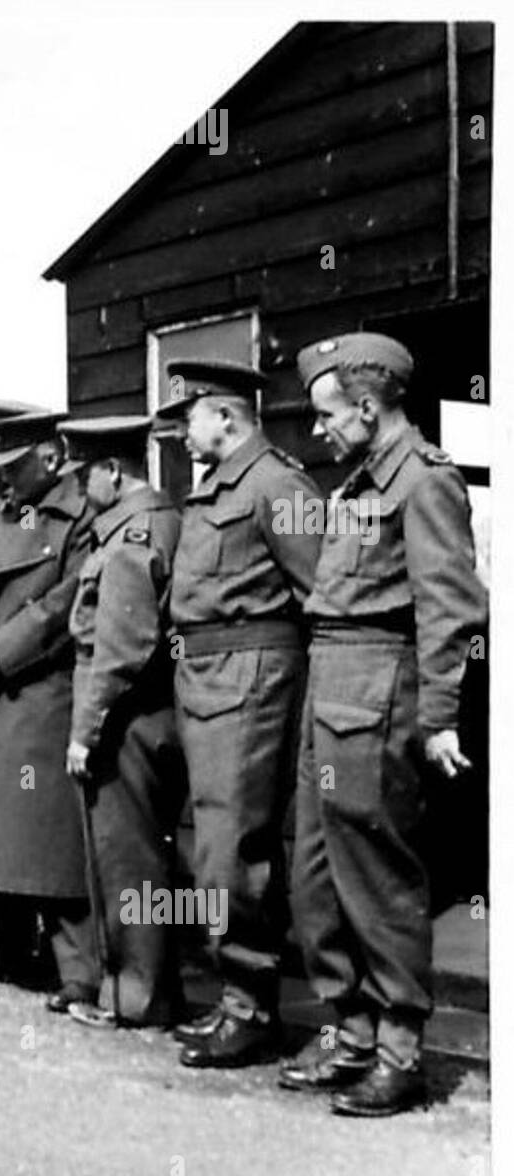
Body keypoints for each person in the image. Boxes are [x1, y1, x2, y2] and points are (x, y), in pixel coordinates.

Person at [282, 333, 487, 1116]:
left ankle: (399, 1052)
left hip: (379, 689)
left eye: (328, 415)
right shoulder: (358, 484)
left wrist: (438, 718)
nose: (318, 432)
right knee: (316, 874)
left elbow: (451, 611)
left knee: (378, 876)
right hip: (328, 685)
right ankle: (351, 1032)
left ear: (368, 407)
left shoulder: (423, 484)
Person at [158, 358, 322, 1068]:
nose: (179, 431)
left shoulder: (277, 485)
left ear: (225, 416)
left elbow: (323, 592)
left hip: (251, 678)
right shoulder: (215, 486)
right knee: (215, 844)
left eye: (187, 415)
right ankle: (239, 998)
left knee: (233, 849)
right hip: (205, 676)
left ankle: (252, 1008)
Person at [0, 409, 97, 997]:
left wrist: (2, 649)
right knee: (0, 826)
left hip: (42, 689)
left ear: (51, 458)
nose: (1, 476)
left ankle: (76, 968)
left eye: (14, 464)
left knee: (47, 833)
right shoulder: (6, 513)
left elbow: (69, 602)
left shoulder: (79, 514)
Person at [60, 416, 189, 1027]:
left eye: (85, 475)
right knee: (147, 854)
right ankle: (152, 987)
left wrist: (85, 733)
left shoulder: (131, 533)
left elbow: (120, 647)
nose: (82, 490)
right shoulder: (163, 520)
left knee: (126, 857)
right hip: (153, 711)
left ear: (113, 471)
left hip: (124, 718)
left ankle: (136, 996)